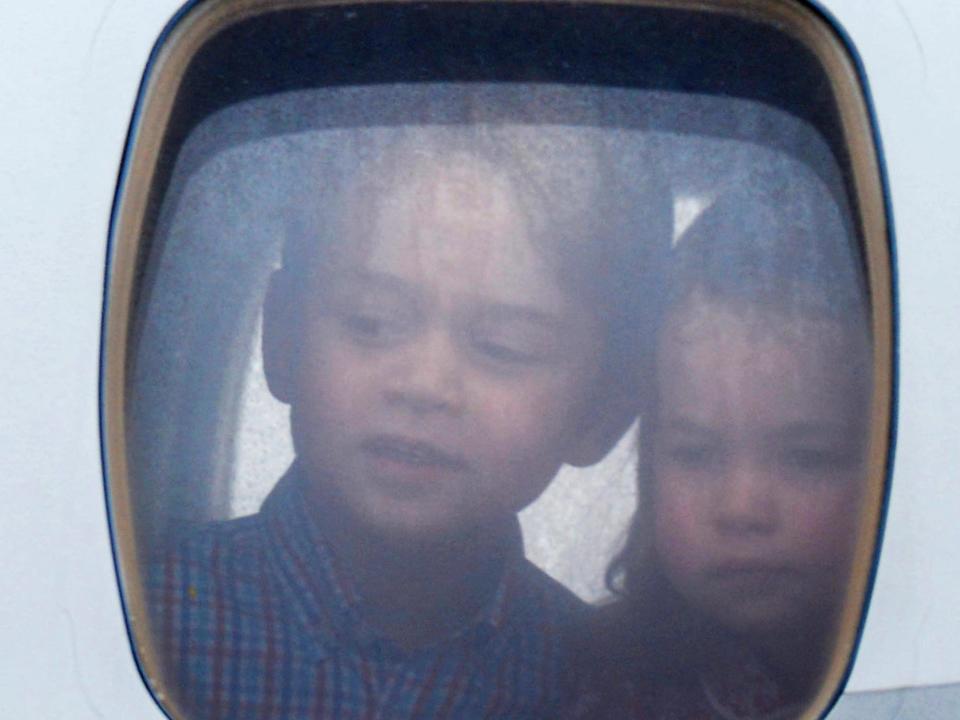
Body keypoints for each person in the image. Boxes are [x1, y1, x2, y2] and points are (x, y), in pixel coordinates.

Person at [146, 125, 671, 719]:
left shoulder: (602, 687)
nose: (424, 385)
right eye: (371, 322)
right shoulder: (147, 609)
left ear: (601, 413)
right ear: (283, 337)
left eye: (503, 346)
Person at [570, 184, 872, 719]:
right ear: (649, 464)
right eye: (696, 454)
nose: (742, 508)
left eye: (807, 457)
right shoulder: (594, 686)